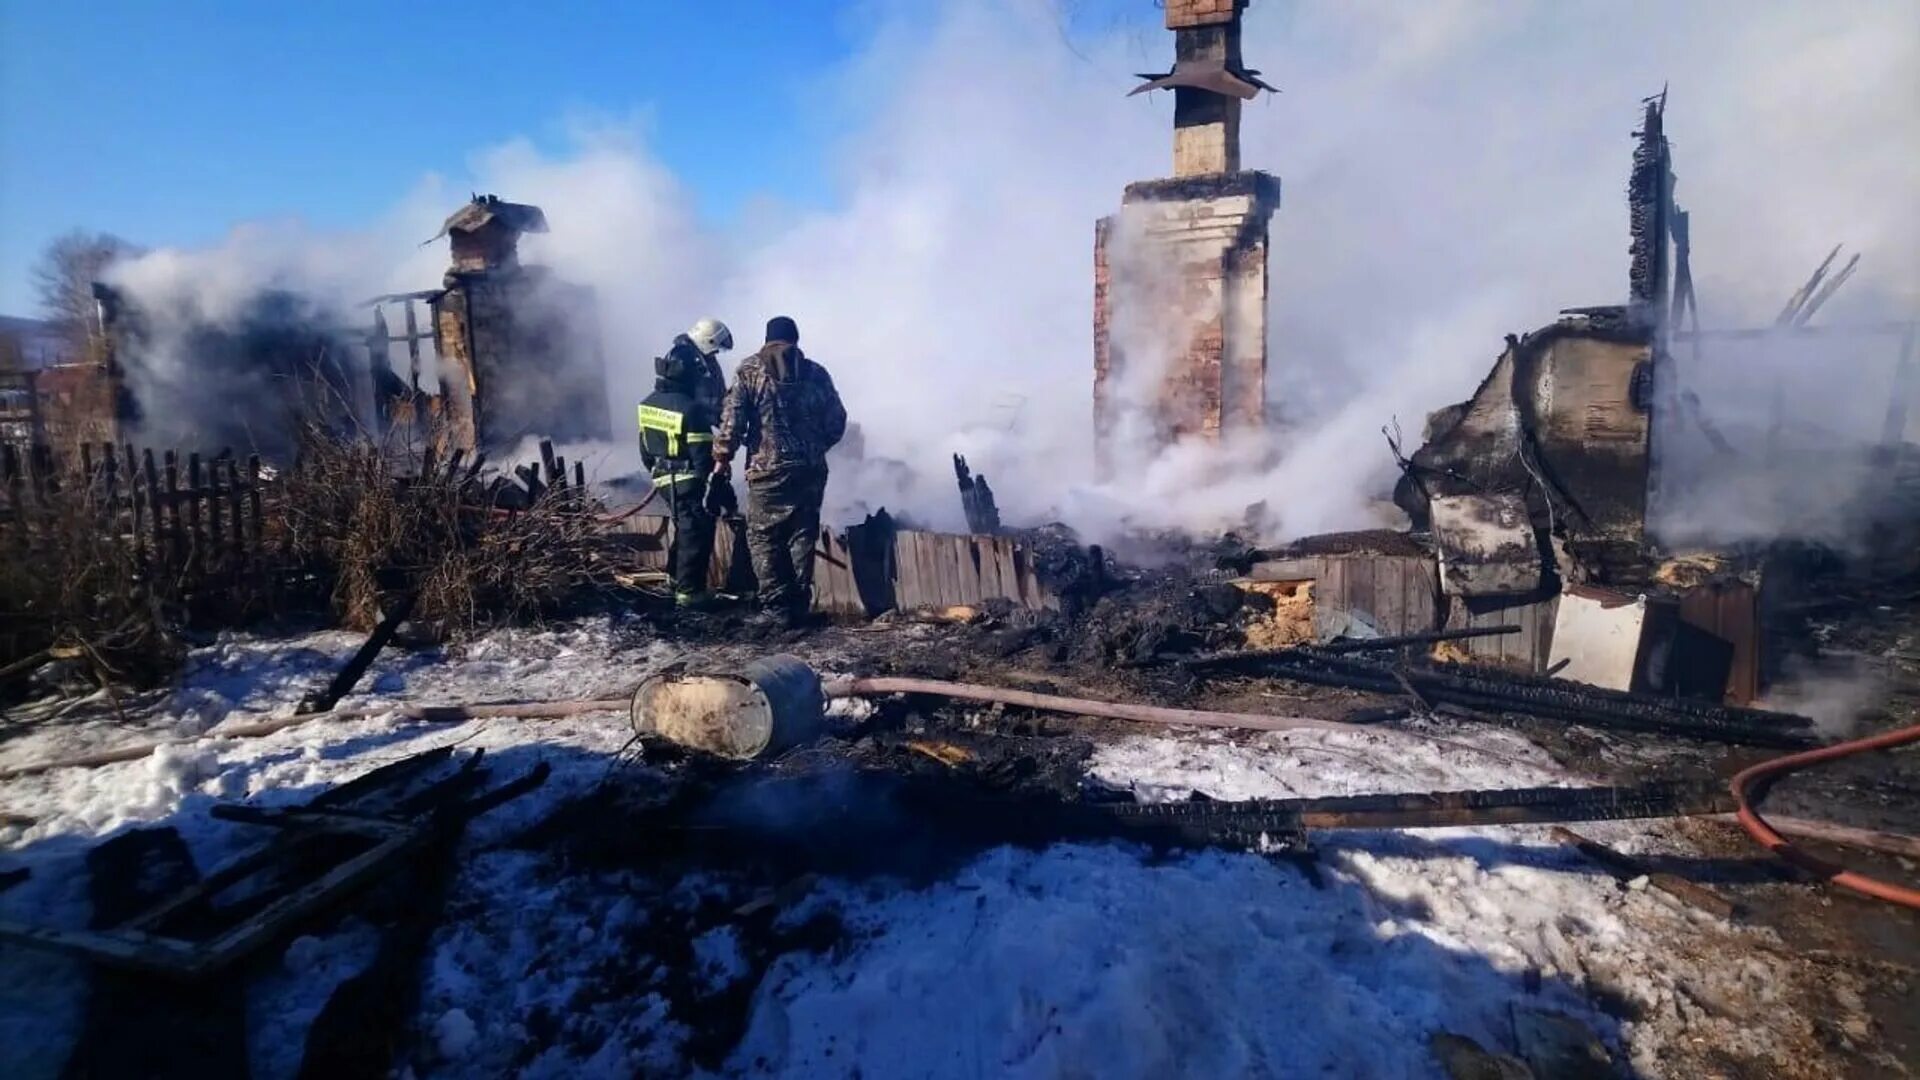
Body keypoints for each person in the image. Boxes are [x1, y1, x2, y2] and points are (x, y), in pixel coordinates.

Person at [713, 315, 847, 624]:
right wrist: (815, 447)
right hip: (811, 469)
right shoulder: (816, 373)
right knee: (802, 534)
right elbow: (837, 420)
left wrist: (722, 460)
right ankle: (799, 604)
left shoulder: (749, 371)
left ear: (767, 339)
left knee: (763, 536)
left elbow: (732, 423)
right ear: (796, 340)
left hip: (767, 471)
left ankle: (776, 608)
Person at [638, 343, 723, 609]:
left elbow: (644, 448)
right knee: (695, 533)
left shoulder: (647, 403)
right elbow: (702, 452)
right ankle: (689, 593)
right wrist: (708, 482)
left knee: (684, 529)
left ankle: (674, 579)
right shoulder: (691, 408)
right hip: (687, 480)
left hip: (662, 479)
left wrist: (656, 472)